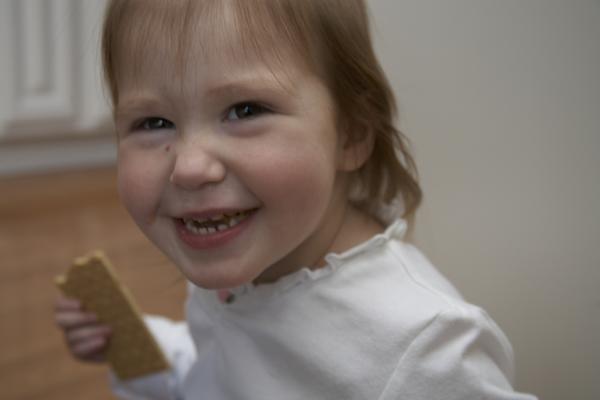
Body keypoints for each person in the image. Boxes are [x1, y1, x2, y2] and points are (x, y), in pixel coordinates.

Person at [55, 0, 537, 399]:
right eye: (154, 122)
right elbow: (227, 370)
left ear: (351, 134)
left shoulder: (420, 347)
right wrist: (142, 349)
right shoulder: (246, 252)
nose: (190, 167)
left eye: (245, 110)